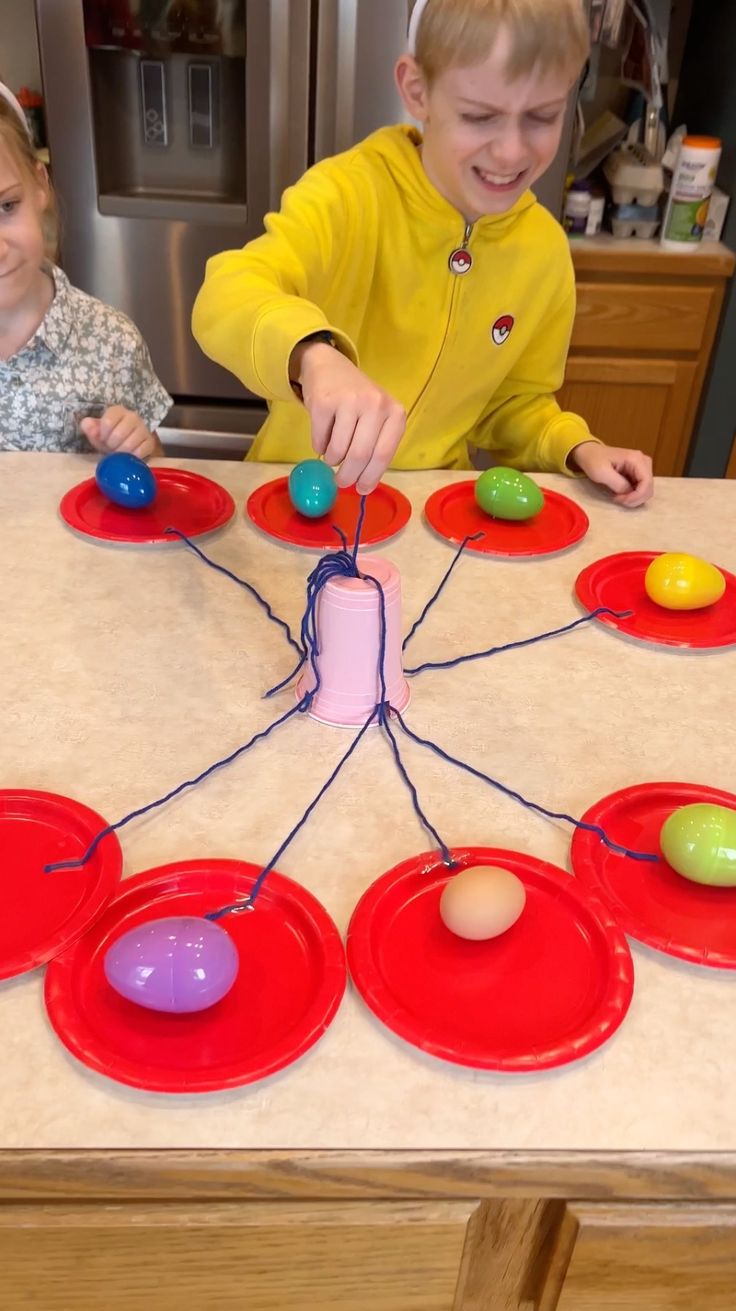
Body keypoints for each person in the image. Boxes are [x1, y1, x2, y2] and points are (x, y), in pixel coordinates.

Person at [192, 0, 653, 506]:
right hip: (287, 505)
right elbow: (228, 292)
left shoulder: (543, 252)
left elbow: (514, 402)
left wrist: (576, 446)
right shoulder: (347, 194)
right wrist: (313, 355)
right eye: (480, 117)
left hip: (423, 519)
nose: (511, 151)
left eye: (543, 117)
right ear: (417, 90)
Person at [0, 83, 171, 456]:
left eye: (6, 206)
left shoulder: (112, 343)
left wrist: (133, 448)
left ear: (39, 185)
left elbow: (154, 466)